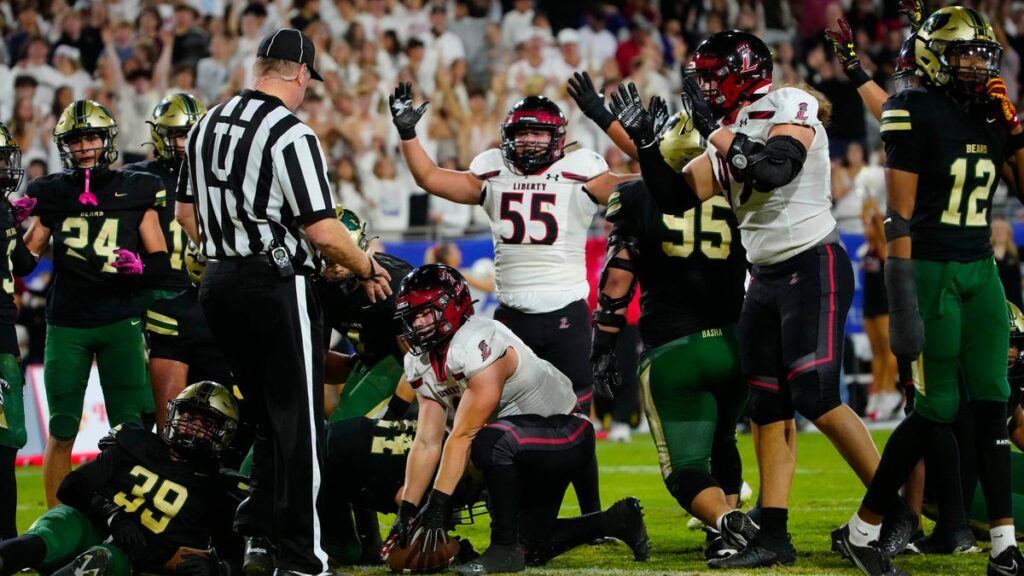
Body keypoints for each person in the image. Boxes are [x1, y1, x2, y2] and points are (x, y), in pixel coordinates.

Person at [611, 30, 880, 568]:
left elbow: (775, 169)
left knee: (816, 395)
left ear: (744, 71)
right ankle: (774, 535)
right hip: (763, 278)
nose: (705, 86)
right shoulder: (724, 126)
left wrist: (715, 129)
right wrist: (644, 145)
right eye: (702, 76)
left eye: (713, 74)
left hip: (813, 261)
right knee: (768, 407)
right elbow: (674, 196)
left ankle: (889, 505)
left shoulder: (789, 101)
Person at [174, 28, 391, 576]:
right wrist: (366, 265)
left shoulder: (205, 124)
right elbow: (321, 230)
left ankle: (258, 539)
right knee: (300, 425)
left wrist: (230, 246)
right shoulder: (291, 133)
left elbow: (184, 218)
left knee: (267, 420)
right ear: (298, 74)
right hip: (273, 285)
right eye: (307, 83)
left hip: (217, 284)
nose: (306, 93)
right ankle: (303, 557)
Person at [832, 7, 1024, 576]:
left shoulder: (991, 114)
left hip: (980, 269)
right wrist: (902, 299)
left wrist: (1012, 123)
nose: (976, 65)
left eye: (982, 54)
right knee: (938, 406)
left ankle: (1004, 548)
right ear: (937, 58)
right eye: (964, 53)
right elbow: (899, 217)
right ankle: (866, 530)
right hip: (934, 269)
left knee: (993, 402)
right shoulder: (912, 108)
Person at [388, 83, 631, 515]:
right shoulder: (493, 171)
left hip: (565, 314)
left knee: (575, 420)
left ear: (559, 137)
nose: (530, 141)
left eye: (540, 133)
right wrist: (408, 135)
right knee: (500, 423)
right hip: (511, 317)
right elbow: (430, 178)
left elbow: (638, 188)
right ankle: (518, 510)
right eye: (522, 133)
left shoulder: (583, 169)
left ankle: (593, 512)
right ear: (507, 136)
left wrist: (642, 144)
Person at [381, 264, 650, 575]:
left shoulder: (478, 341)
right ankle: (616, 520)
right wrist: (408, 510)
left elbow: (465, 434)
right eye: (412, 316)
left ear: (452, 307)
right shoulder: (420, 361)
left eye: (426, 313)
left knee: (485, 440)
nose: (418, 323)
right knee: (533, 545)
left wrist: (438, 507)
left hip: (565, 432)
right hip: (521, 446)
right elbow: (427, 442)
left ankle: (504, 549)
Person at [590, 112, 754, 561]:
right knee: (724, 441)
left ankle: (724, 521)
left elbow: (619, 277)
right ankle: (725, 534)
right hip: (735, 343)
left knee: (684, 468)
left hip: (675, 349)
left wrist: (603, 345)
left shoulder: (637, 194)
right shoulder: (735, 191)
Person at [23, 100, 170, 509]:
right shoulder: (51, 193)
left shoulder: (135, 187)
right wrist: (10, 222)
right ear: (64, 146)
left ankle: (126, 519)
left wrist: (138, 266)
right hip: (68, 322)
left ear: (106, 140)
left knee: (129, 431)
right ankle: (56, 525)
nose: (85, 147)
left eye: (91, 137)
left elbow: (160, 262)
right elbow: (24, 260)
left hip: (120, 318)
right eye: (76, 139)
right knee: (63, 426)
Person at [0, 381, 245, 576]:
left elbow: (239, 554)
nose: (192, 427)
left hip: (129, 555)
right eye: (189, 418)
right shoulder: (137, 442)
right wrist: (112, 515)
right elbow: (72, 486)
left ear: (223, 433)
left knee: (100, 560)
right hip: (88, 522)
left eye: (205, 423)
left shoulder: (217, 486)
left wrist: (219, 568)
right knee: (49, 535)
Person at [123, 92, 208, 428]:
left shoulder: (214, 176)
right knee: (150, 401)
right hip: (154, 293)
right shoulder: (137, 178)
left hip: (200, 292)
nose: (185, 143)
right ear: (160, 136)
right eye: (178, 134)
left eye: (192, 133)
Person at [318, 206, 413, 422]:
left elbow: (419, 358)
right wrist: (355, 367)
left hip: (402, 369)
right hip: (367, 365)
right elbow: (317, 362)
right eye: (328, 256)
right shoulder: (315, 286)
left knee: (341, 434)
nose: (335, 265)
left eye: (343, 254)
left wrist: (394, 410)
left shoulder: (393, 282)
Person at [0, 123, 37, 539]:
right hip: (1, 338)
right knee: (5, 444)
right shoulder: (2, 209)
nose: (4, 166)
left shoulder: (5, 209)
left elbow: (24, 265)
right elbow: (27, 265)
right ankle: (6, 543)